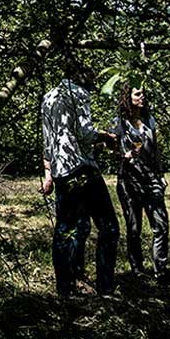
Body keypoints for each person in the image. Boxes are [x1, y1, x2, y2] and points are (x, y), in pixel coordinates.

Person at [41, 56, 120, 298]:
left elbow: (47, 140)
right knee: (109, 227)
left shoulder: (49, 97)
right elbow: (85, 133)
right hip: (82, 168)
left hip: (62, 170)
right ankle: (105, 286)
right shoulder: (78, 93)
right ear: (81, 75)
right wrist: (107, 137)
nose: (94, 82)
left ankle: (66, 286)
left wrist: (48, 171)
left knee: (66, 228)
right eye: (92, 77)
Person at [112, 84, 169, 279]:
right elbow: (110, 150)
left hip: (151, 178)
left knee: (161, 225)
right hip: (129, 180)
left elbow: (156, 151)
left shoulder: (149, 120)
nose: (142, 96)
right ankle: (137, 269)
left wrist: (161, 175)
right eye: (138, 93)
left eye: (144, 93)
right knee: (134, 227)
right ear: (128, 97)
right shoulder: (119, 122)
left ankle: (160, 269)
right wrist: (123, 155)